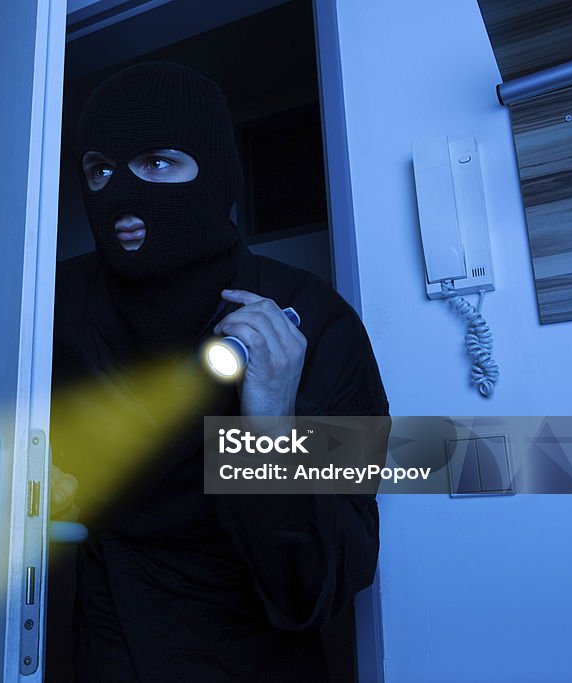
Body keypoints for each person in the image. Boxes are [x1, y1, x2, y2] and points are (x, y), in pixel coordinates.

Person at [49, 61, 388, 682]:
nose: (122, 197)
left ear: (217, 169)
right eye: (100, 170)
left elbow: (330, 577)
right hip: (111, 640)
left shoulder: (314, 321)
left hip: (256, 655)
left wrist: (270, 423)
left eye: (158, 163)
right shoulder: (52, 307)